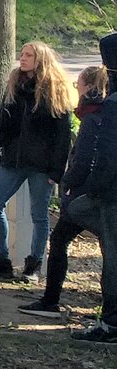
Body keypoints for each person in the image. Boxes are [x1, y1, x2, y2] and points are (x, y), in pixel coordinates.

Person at [0, 40, 74, 279]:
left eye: (28, 55)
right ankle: (1, 258)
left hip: (41, 165)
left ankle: (34, 263)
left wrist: (56, 171)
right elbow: (3, 123)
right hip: (13, 160)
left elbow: (62, 136)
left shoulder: (55, 90)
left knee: (39, 214)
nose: (23, 58)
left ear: (40, 59)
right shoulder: (14, 85)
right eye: (22, 54)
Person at [18, 62, 106, 316]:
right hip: (94, 190)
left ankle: (50, 300)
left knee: (59, 240)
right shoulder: (102, 113)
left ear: (88, 86)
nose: (75, 86)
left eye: (78, 83)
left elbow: (85, 157)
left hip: (84, 193)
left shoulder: (92, 117)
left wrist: (69, 184)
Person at [63, 33, 117, 342]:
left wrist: (95, 187)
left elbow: (109, 154)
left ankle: (111, 323)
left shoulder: (112, 105)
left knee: (112, 258)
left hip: (111, 194)